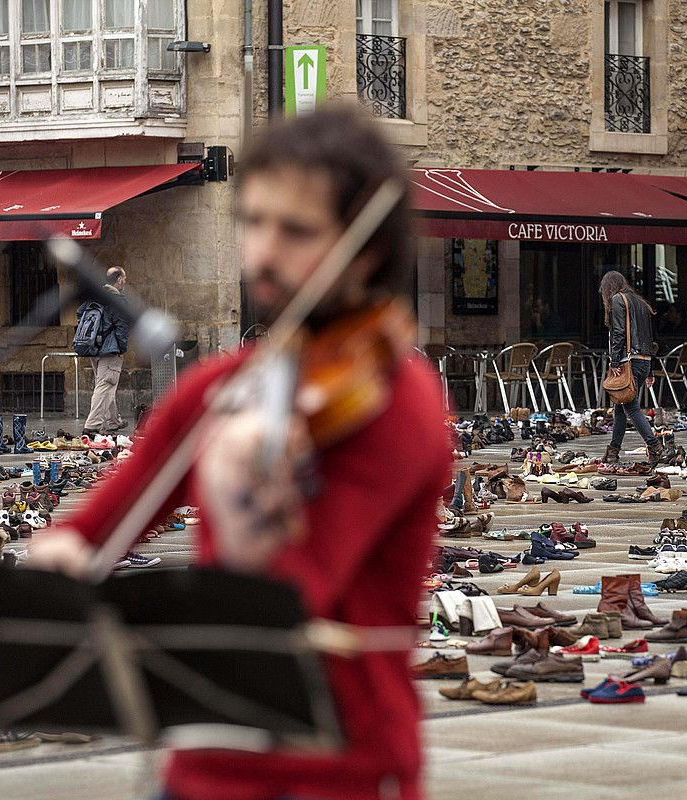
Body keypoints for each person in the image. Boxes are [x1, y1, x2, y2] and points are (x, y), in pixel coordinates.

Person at [31, 105, 453, 800]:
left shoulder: (393, 399)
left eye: (295, 230)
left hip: (340, 767)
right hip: (205, 766)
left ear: (368, 246)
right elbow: (101, 525)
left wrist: (230, 496)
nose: (262, 251)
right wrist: (57, 563)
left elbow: (286, 597)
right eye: (252, 221)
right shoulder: (225, 389)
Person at [599, 270, 661, 463]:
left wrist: (614, 361)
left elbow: (618, 332)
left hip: (629, 361)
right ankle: (613, 451)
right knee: (620, 405)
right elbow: (649, 337)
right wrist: (650, 369)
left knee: (631, 407)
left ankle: (654, 446)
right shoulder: (640, 302)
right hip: (644, 360)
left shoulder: (618, 299)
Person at [80, 266, 131, 436]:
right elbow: (122, 326)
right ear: (119, 280)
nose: (124, 281)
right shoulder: (117, 299)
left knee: (106, 383)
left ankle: (112, 421)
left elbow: (80, 314)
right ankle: (92, 425)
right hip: (110, 349)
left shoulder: (94, 296)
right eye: (124, 278)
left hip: (93, 348)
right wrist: (121, 347)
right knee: (105, 385)